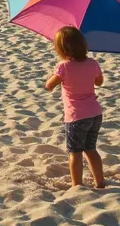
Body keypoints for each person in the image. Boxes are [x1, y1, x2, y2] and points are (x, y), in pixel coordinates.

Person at [44, 26, 106, 189]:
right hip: (95, 114)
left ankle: (77, 184)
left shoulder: (63, 67)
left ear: (61, 49)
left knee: (75, 153)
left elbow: (49, 86)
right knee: (91, 150)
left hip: (76, 117)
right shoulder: (92, 63)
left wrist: (54, 74)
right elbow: (99, 82)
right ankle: (100, 182)